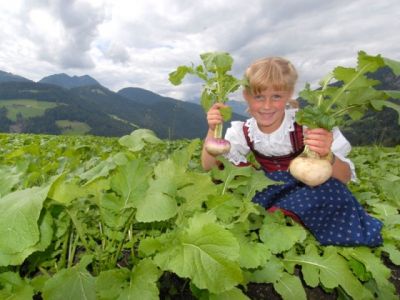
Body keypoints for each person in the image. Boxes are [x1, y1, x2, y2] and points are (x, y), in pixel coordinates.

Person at [201, 56, 382, 247]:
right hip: (270, 189)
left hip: (308, 191)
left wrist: (327, 155)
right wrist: (213, 129)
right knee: (229, 180)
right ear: (246, 96)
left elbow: (344, 178)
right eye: (259, 97)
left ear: (288, 96)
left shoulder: (309, 126)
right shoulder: (244, 131)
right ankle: (286, 216)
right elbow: (209, 167)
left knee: (331, 190)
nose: (267, 105)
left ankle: (281, 217)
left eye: (276, 97)